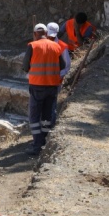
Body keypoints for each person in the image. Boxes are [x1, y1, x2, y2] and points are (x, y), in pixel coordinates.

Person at [22, 23, 65, 155]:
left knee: (34, 116)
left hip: (37, 86)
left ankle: (37, 145)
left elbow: (25, 67)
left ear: (35, 34)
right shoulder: (56, 46)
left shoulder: (32, 46)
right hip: (52, 86)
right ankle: (44, 141)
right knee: (47, 115)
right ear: (46, 33)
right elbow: (62, 65)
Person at [46, 21, 70, 128]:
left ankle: (50, 127)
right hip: (42, 81)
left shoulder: (62, 46)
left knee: (51, 105)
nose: (50, 37)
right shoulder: (41, 44)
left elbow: (67, 66)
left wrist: (58, 76)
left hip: (55, 82)